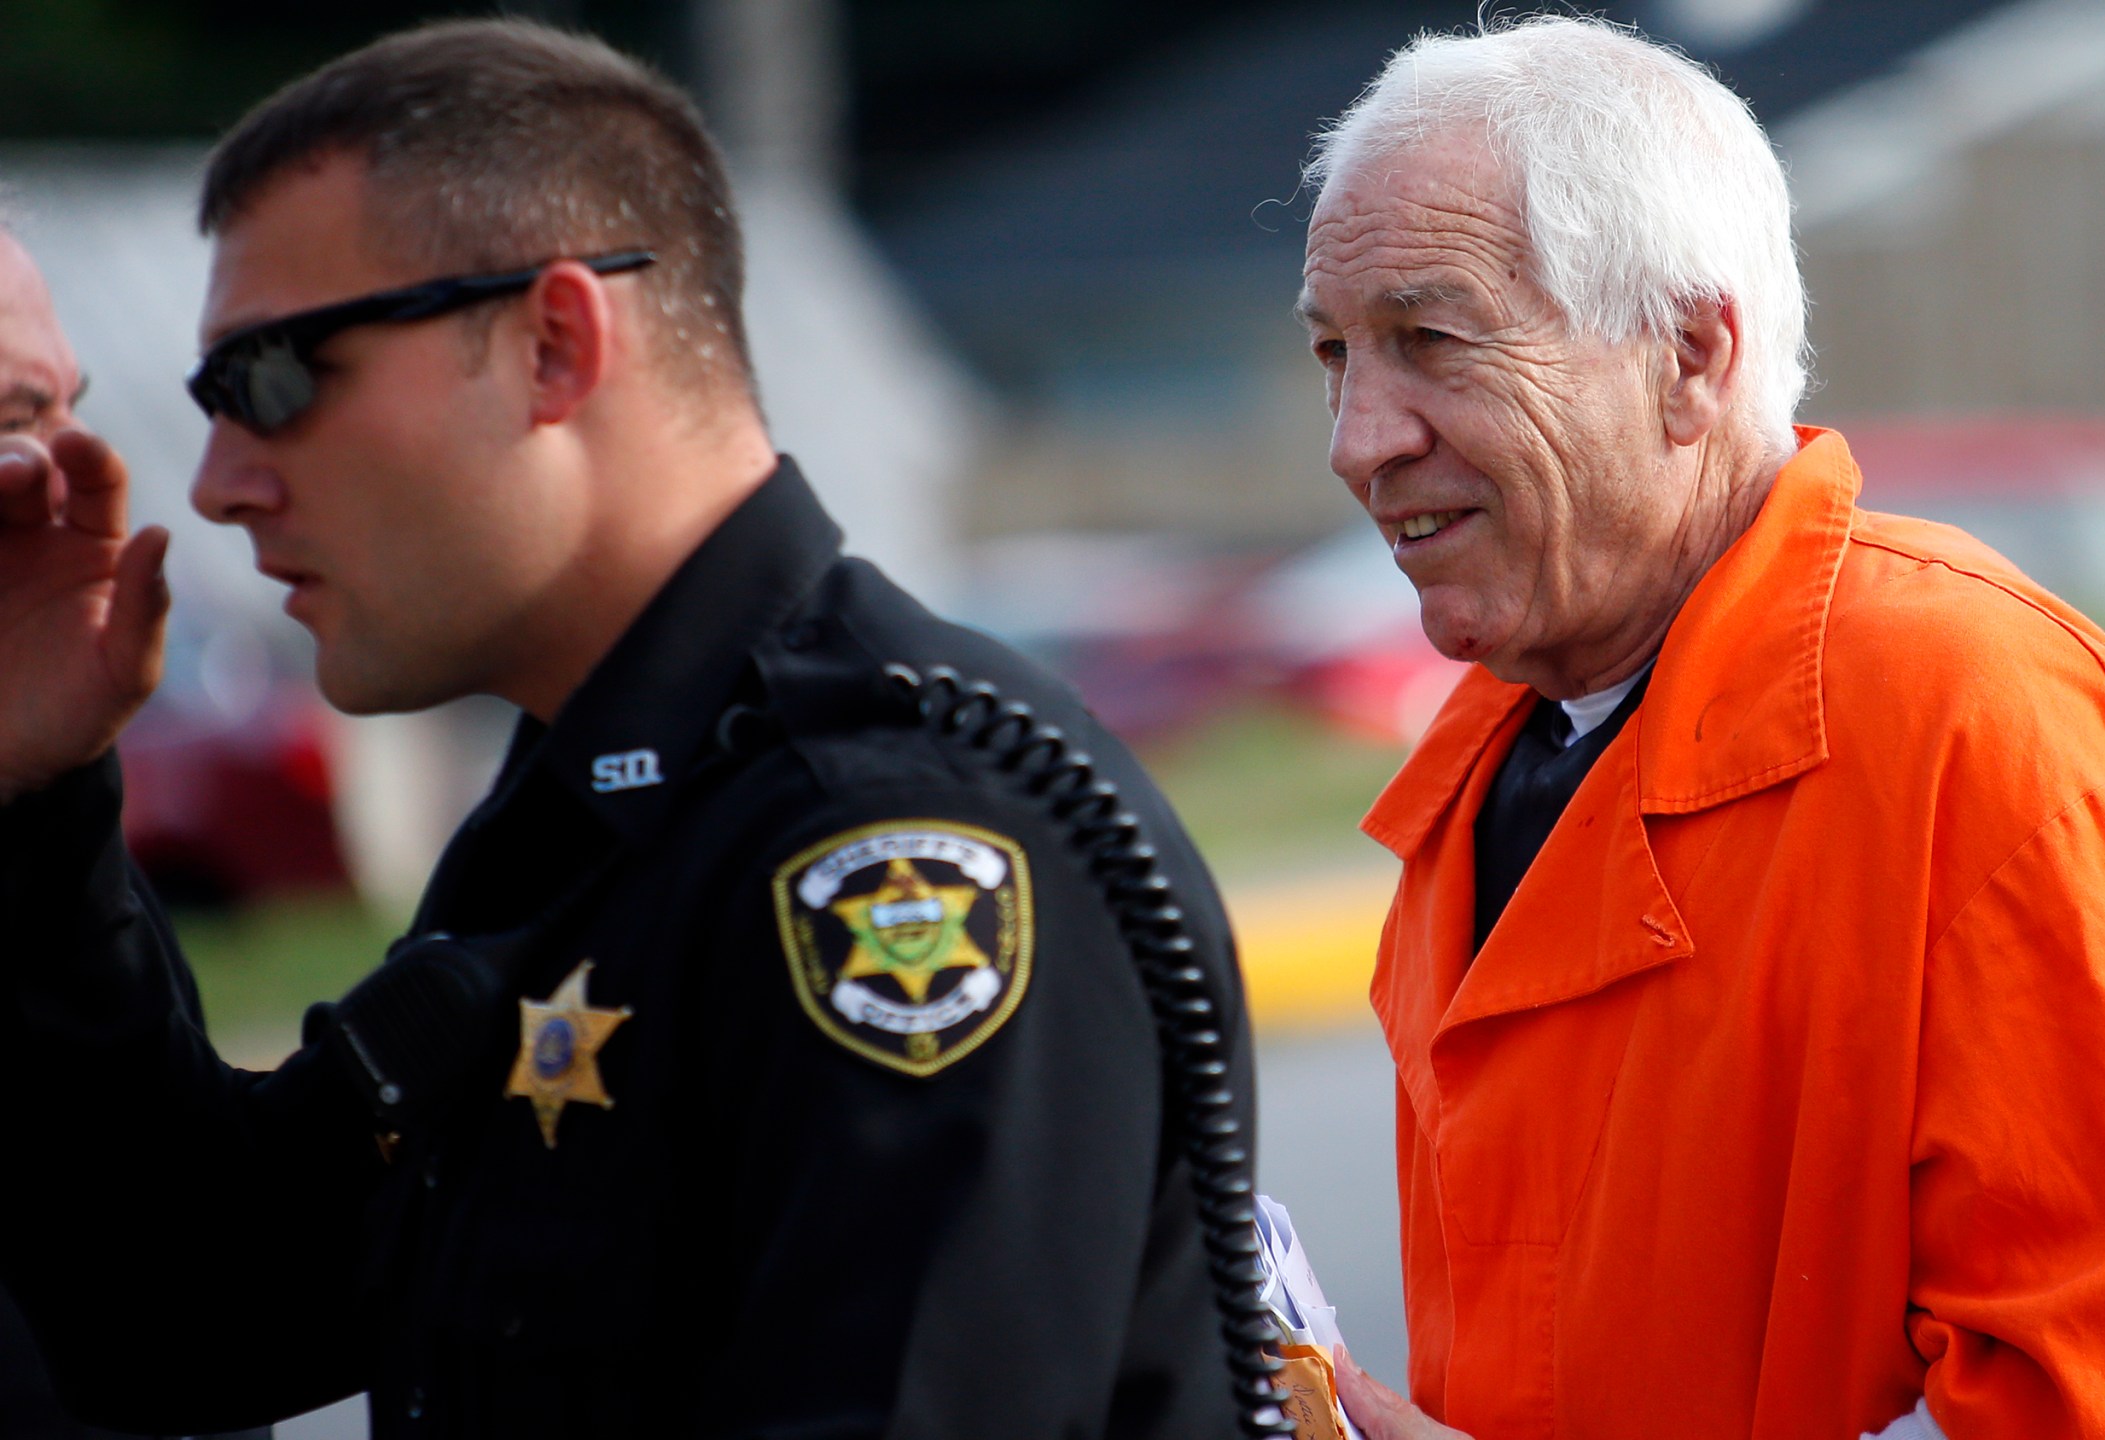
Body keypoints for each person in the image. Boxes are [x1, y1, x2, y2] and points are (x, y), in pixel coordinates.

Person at [0, 20, 1249, 1438]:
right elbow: (188, 1317)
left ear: (553, 344)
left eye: (275, 383)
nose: (221, 485)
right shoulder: (599, 804)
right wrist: (35, 797)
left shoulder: (892, 837)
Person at [1293, 17, 2105, 1439]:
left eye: (1431, 340)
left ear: (1691, 356)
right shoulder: (1478, 773)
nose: (1358, 438)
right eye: (1337, 355)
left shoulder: (1975, 726)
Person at [0, 225, 275, 1440]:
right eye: (6, 419)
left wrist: (36, 795)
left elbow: (193, 1334)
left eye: (65, 411)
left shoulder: (39, 840)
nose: (66, 474)